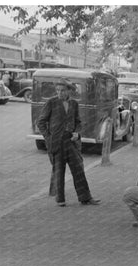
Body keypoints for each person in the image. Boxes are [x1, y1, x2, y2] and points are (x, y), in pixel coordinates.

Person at [37, 78, 100, 207]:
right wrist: (48, 138)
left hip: (70, 141)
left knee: (78, 169)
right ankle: (60, 199)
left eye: (63, 90)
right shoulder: (51, 103)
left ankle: (85, 198)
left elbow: (78, 122)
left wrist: (77, 133)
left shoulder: (74, 104)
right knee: (59, 171)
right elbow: (41, 122)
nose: (60, 93)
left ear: (69, 91)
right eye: (58, 90)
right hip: (56, 142)